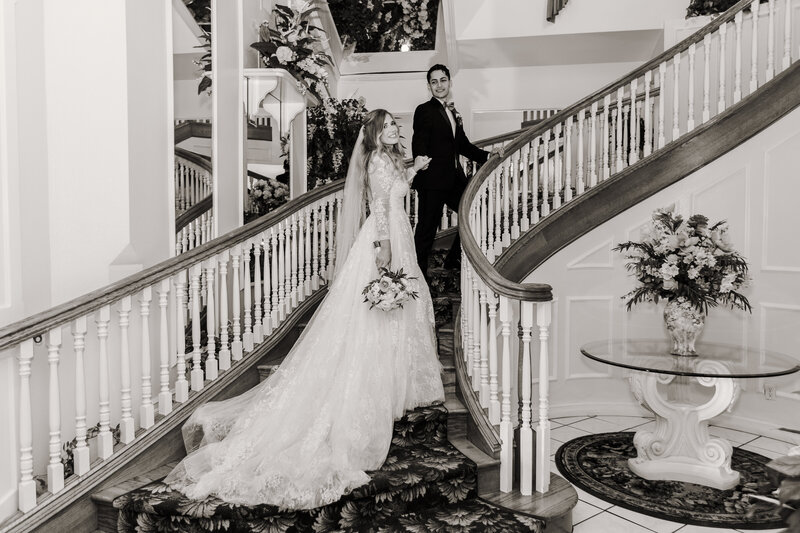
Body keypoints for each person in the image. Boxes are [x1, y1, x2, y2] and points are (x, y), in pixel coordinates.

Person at [163, 109, 443, 509]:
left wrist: (413, 171)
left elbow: (393, 193)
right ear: (376, 136)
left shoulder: (389, 160)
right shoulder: (380, 161)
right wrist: (383, 253)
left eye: (396, 126)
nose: (396, 130)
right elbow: (380, 209)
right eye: (388, 127)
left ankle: (399, 383)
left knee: (394, 315)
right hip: (386, 241)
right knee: (380, 316)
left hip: (396, 235)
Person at [411, 64, 503, 278]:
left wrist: (489, 156)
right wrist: (419, 158)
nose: (439, 85)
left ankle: (453, 259)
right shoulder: (424, 110)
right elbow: (419, 139)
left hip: (453, 180)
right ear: (429, 86)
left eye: (443, 80)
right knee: (426, 232)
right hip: (432, 181)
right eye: (434, 82)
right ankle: (417, 279)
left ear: (450, 83)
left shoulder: (453, 112)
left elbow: (464, 146)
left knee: (474, 211)